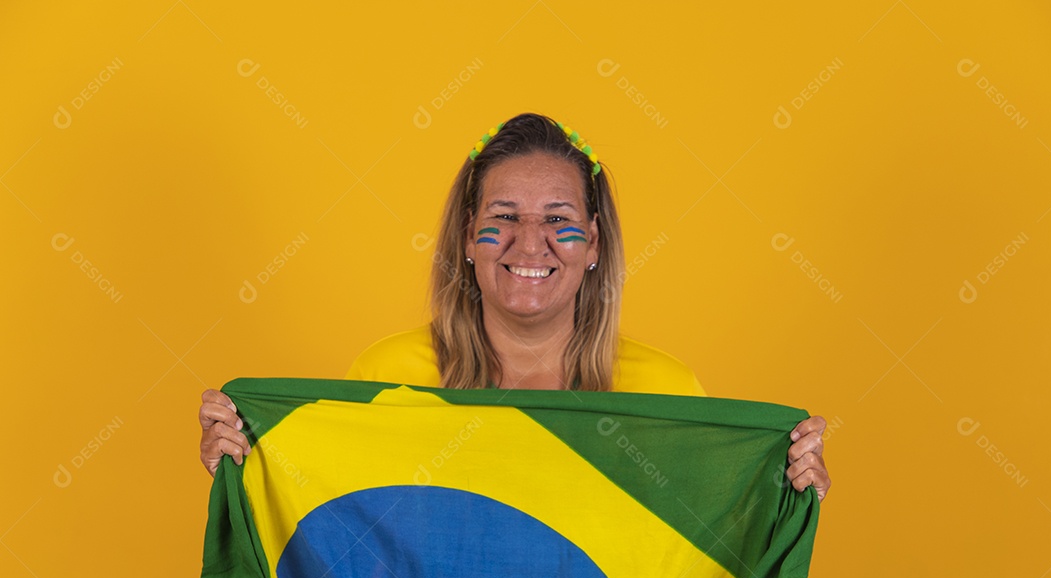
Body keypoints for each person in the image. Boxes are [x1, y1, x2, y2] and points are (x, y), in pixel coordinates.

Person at [199, 112, 831, 500]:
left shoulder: (667, 393)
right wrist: (252, 464)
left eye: (558, 220)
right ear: (467, 237)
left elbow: (706, 554)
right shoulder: (386, 377)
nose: (530, 244)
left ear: (593, 244)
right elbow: (340, 529)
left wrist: (778, 490)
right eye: (504, 217)